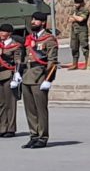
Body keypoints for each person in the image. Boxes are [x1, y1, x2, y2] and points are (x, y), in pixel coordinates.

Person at [21, 12, 58, 148]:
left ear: (42, 22)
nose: (33, 22)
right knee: (30, 109)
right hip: (27, 77)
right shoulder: (30, 38)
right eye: (33, 19)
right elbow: (25, 58)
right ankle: (34, 135)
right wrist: (19, 73)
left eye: (36, 20)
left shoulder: (49, 39)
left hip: (40, 77)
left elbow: (52, 61)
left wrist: (48, 79)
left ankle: (42, 137)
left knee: (40, 109)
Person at [0, 23, 23, 137]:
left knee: (10, 103)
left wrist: (17, 74)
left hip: (8, 75)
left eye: (3, 31)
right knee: (1, 103)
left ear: (9, 33)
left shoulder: (15, 46)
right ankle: (2, 127)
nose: (1, 34)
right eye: (0, 31)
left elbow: (18, 60)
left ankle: (10, 128)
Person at [68, 0, 90, 70]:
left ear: (81, 3)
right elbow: (70, 19)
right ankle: (75, 64)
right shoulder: (74, 10)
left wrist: (74, 17)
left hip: (82, 30)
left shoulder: (85, 10)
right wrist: (75, 18)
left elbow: (81, 19)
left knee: (84, 46)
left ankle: (87, 63)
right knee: (74, 47)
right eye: (75, 3)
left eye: (77, 3)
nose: (75, 5)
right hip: (74, 30)